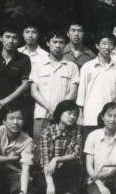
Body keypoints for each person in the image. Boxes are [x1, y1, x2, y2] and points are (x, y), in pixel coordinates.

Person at [30, 29, 80, 158]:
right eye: (54, 42)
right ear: (48, 43)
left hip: (63, 117)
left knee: (62, 150)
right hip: (42, 114)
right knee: (40, 151)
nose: (58, 45)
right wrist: (49, 107)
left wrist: (58, 110)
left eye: (61, 42)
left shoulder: (72, 66)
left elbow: (73, 92)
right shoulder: (38, 65)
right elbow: (34, 91)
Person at [0, 22, 31, 134]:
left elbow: (25, 84)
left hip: (14, 108)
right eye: (7, 37)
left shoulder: (24, 59)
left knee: (14, 140)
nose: (10, 41)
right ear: (1, 38)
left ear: (19, 40)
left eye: (14, 38)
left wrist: (6, 100)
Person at [36, 100, 82, 194]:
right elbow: (45, 160)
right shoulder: (47, 132)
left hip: (65, 171)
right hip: (49, 172)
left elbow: (76, 155)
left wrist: (57, 159)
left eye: (75, 114)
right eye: (69, 113)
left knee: (76, 165)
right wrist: (50, 183)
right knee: (42, 185)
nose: (73, 117)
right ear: (60, 114)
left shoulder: (76, 131)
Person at [76, 32, 116, 147]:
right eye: (104, 43)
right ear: (97, 45)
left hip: (111, 118)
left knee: (109, 148)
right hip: (91, 116)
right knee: (90, 149)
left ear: (114, 47)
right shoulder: (88, 67)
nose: (107, 47)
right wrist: (80, 115)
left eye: (110, 44)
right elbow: (81, 93)